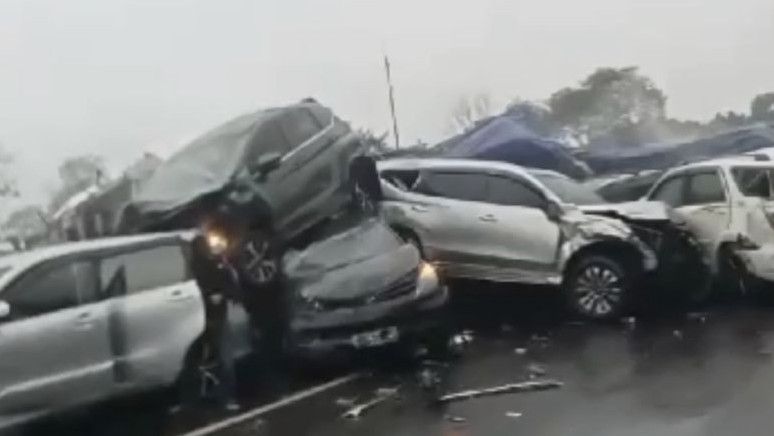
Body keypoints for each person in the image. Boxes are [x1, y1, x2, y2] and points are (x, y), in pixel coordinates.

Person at [189, 233, 243, 412]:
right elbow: (230, 284)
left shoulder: (210, 265)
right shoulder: (209, 266)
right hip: (207, 318)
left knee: (218, 358)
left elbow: (230, 283)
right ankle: (222, 397)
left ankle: (220, 397)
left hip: (207, 318)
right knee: (220, 358)